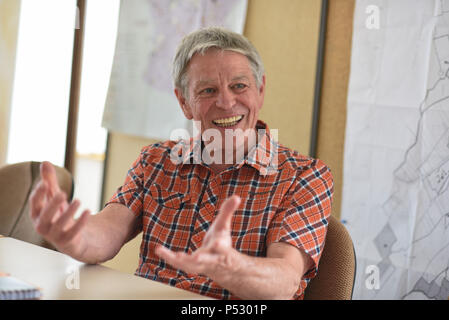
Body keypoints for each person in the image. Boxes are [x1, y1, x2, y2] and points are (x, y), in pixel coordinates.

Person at [29, 27, 333, 300]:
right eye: (208, 90)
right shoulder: (156, 161)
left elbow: (285, 282)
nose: (227, 103)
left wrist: (231, 268)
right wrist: (73, 236)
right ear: (184, 102)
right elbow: (106, 233)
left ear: (261, 90)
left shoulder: (305, 176)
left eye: (239, 86)